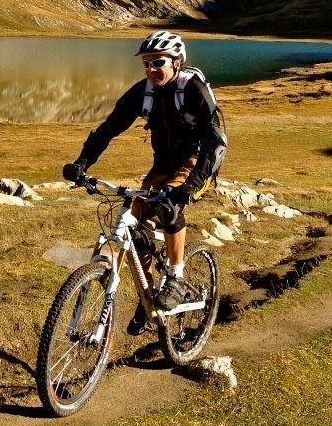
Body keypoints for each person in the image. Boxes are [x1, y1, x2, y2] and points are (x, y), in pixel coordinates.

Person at [62, 31, 227, 335]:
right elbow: (108, 129)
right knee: (133, 224)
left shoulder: (193, 89)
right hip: (162, 164)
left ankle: (176, 277)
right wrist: (82, 164)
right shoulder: (144, 92)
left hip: (195, 162)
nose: (151, 70)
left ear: (177, 62)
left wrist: (189, 188)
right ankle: (146, 293)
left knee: (168, 208)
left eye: (158, 63)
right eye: (146, 64)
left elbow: (217, 142)